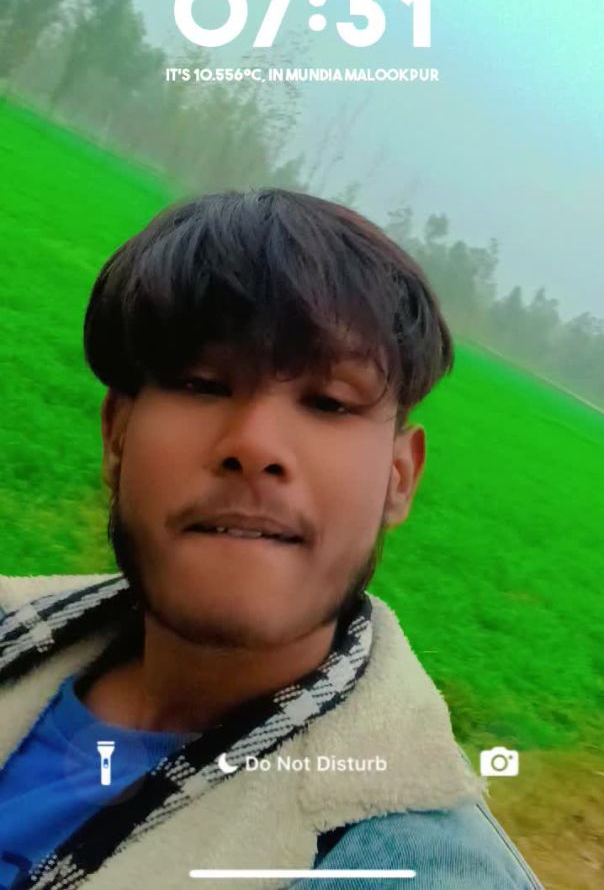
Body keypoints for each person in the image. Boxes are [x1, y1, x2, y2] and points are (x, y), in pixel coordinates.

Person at [0, 188, 544, 889]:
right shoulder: (14, 625)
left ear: (399, 478)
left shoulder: (417, 867)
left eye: (329, 402)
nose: (255, 445)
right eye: (202, 383)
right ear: (116, 434)